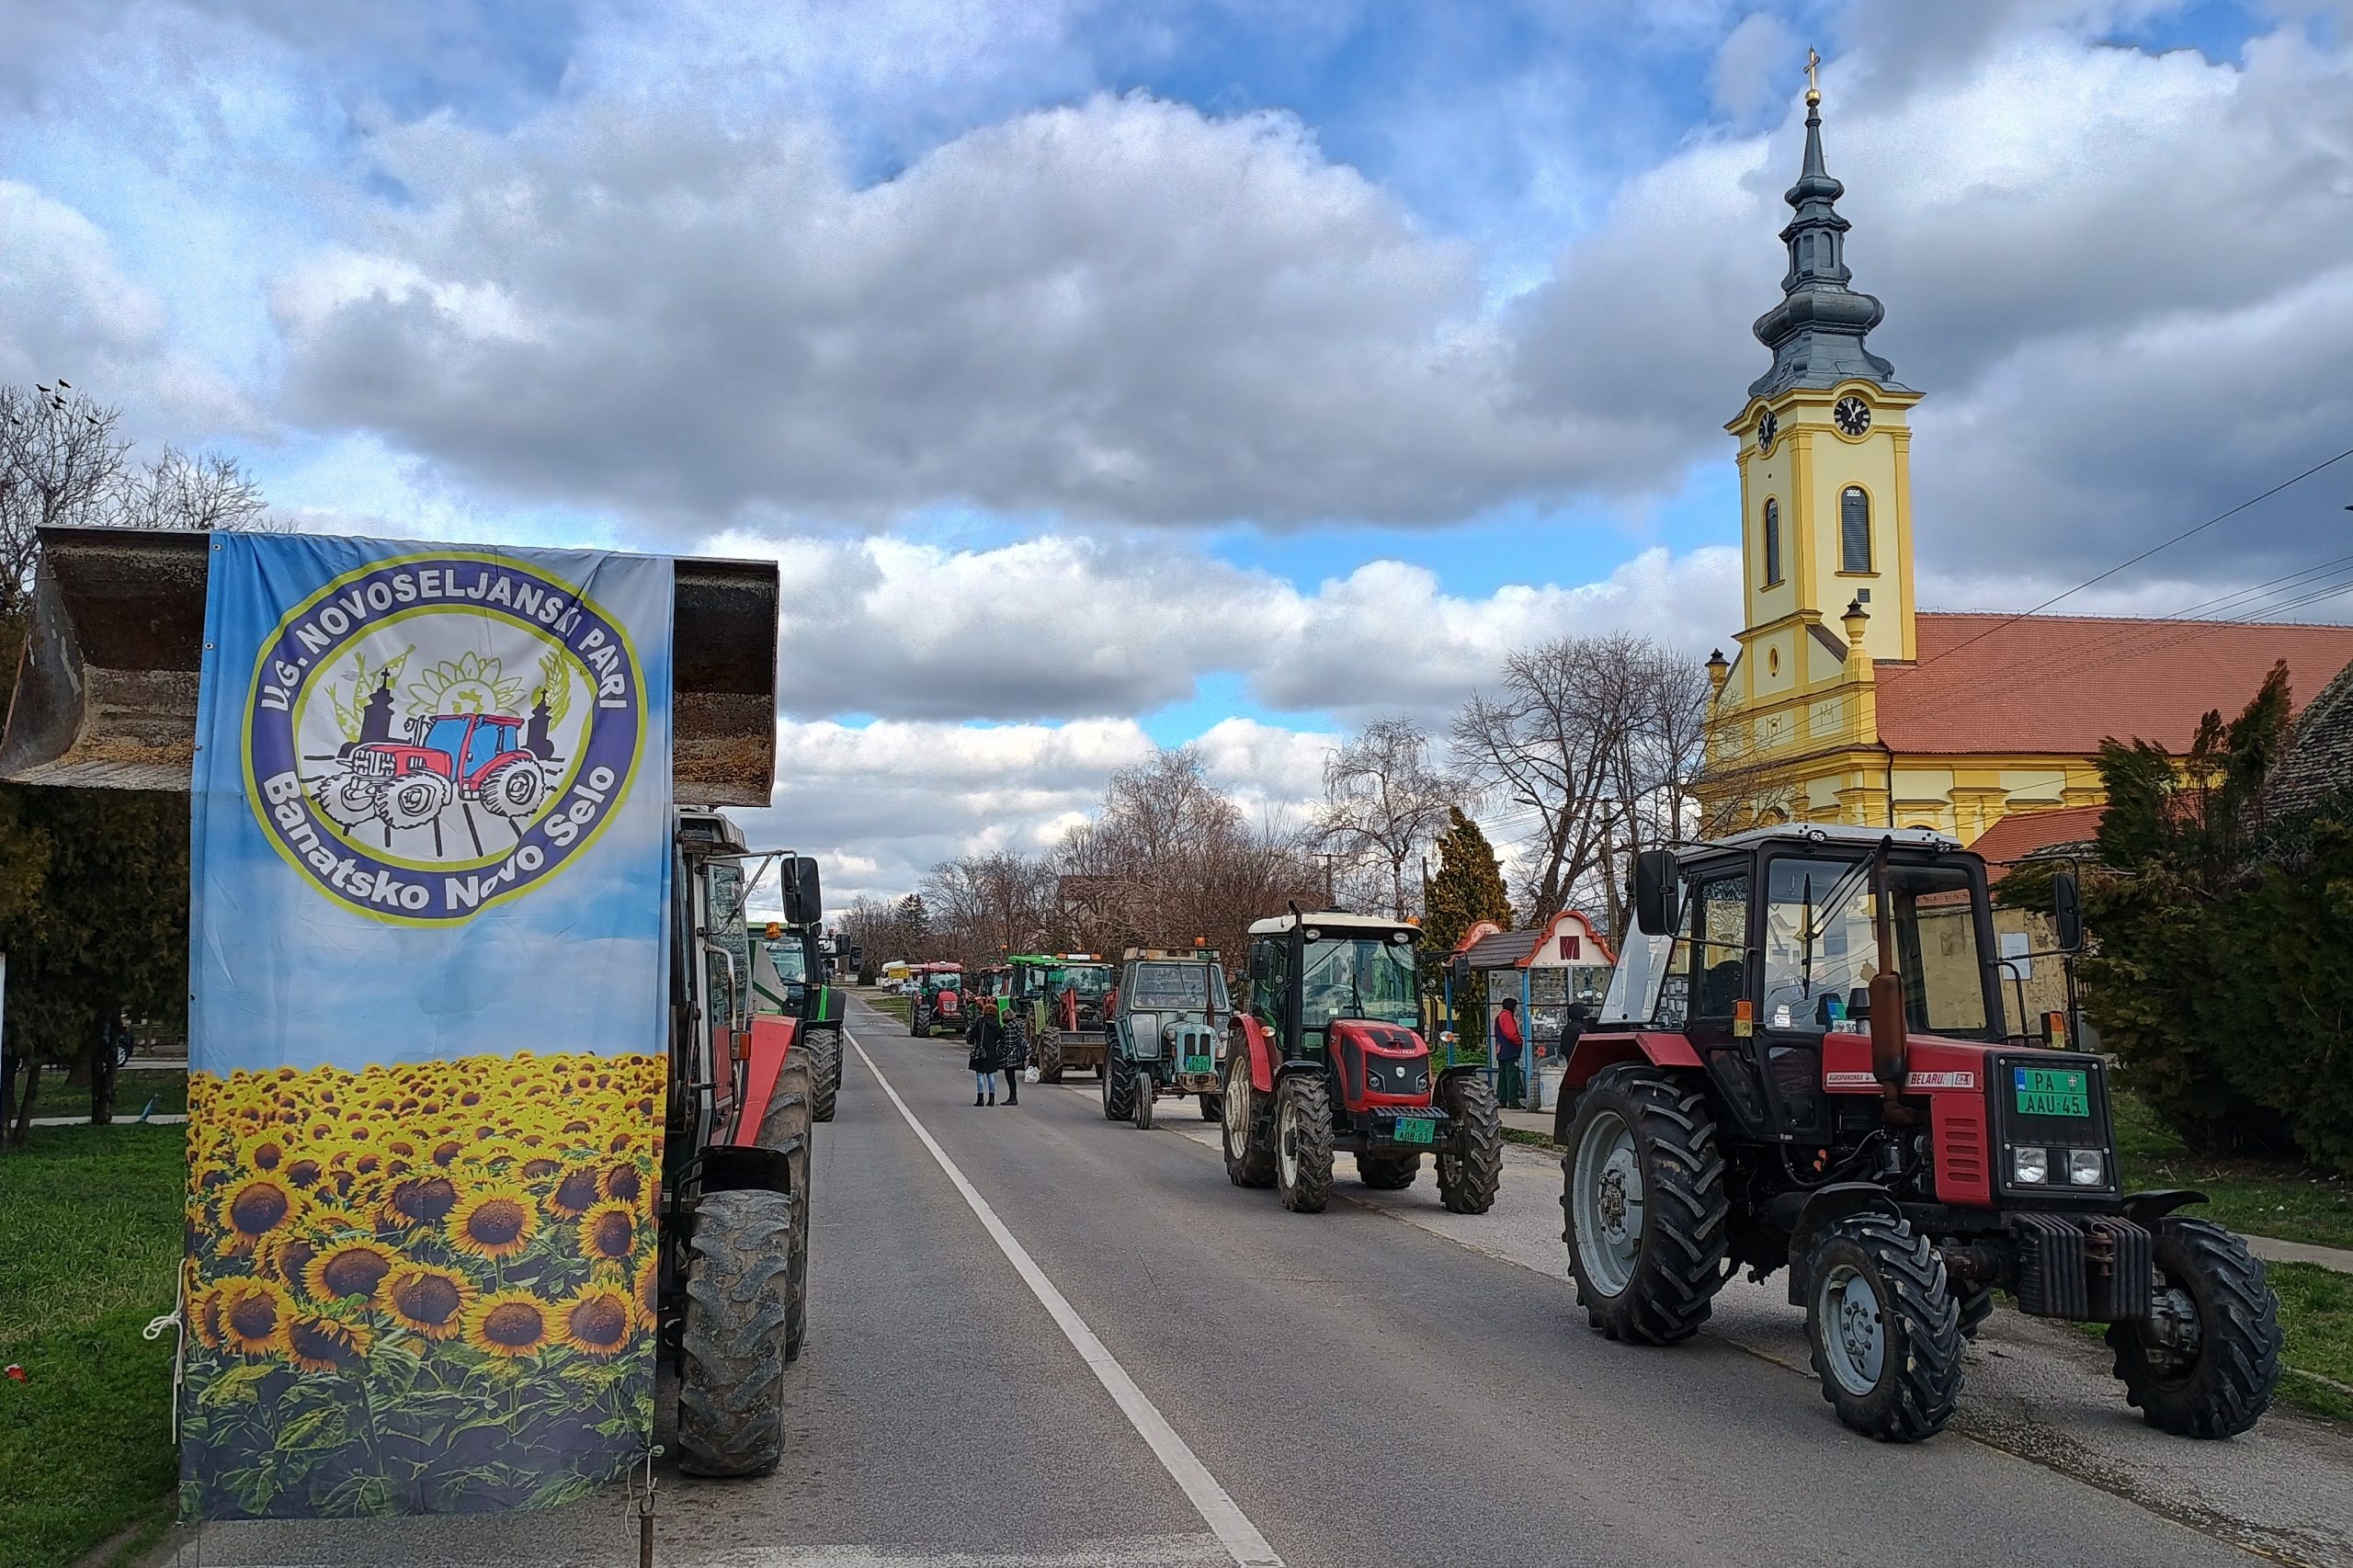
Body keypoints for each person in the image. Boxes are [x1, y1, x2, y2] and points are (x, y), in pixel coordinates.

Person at [1494, 996, 1526, 1108]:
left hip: (1501, 1050)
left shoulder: (1499, 1016)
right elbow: (1511, 1033)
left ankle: (1502, 1099)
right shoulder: (1507, 1016)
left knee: (1502, 1075)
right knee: (1512, 1075)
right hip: (1510, 1051)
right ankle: (1513, 1101)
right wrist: (1519, 1042)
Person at [992, 998, 1022, 1106]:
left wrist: (1001, 1054)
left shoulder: (1008, 1028)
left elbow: (1009, 1044)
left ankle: (1012, 1098)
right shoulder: (1017, 1025)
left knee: (1010, 1078)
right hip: (1015, 1055)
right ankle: (1012, 1097)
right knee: (1011, 1078)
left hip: (1010, 1057)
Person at [969, 1004, 999, 1106]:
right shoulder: (996, 1024)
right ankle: (992, 1099)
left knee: (980, 1075)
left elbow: (973, 1035)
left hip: (981, 1051)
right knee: (990, 1075)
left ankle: (980, 1099)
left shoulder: (980, 1022)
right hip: (992, 1052)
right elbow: (999, 1036)